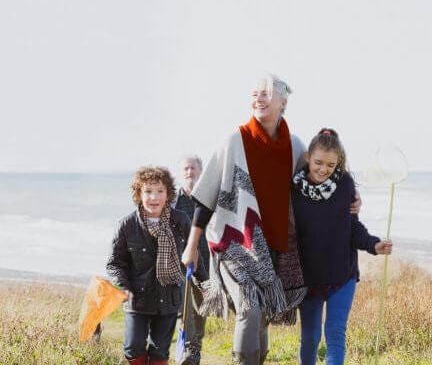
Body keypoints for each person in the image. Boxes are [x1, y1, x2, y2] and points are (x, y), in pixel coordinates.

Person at [181, 74, 361, 365]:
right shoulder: (234, 141)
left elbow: (321, 175)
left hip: (277, 248)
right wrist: (192, 246)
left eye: (265, 93)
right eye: (254, 94)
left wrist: (352, 196)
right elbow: (205, 197)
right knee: (250, 308)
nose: (258, 99)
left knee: (262, 315)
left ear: (283, 102)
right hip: (235, 244)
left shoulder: (294, 145)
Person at [291, 128, 393, 365]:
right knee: (310, 338)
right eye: (318, 162)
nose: (323, 169)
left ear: (338, 163)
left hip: (342, 276)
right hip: (309, 278)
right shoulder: (294, 190)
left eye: (330, 165)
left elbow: (352, 228)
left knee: (335, 335)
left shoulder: (345, 185)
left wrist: (373, 244)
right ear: (308, 158)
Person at [106, 166, 191, 365]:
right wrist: (124, 287)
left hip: (169, 297)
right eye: (148, 191)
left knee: (160, 351)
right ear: (138, 194)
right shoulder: (126, 225)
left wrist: (204, 281)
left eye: (160, 191)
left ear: (168, 194)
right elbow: (115, 263)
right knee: (133, 347)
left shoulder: (180, 220)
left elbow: (194, 252)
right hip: (137, 298)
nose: (154, 197)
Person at [173, 155, 209, 365]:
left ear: (201, 171)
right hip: (180, 264)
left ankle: (194, 352)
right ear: (181, 173)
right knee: (183, 309)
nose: (189, 172)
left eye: (193, 168)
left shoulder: (207, 199)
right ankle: (188, 349)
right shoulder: (173, 201)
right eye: (186, 168)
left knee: (201, 311)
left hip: (206, 264)